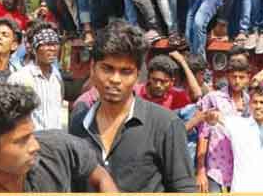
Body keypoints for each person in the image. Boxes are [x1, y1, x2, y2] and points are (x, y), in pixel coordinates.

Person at [69, 22, 196, 192]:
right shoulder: (79, 123)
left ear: (137, 75)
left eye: (125, 71)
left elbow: (184, 189)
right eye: (107, 68)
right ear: (93, 68)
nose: (115, 79)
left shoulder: (166, 125)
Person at [0, 79, 117, 192]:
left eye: (31, 133)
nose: (35, 146)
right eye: (21, 141)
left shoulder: (56, 147)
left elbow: (100, 175)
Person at [208, 83, 263, 193]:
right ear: (250, 105)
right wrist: (212, 116)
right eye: (255, 102)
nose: (258, 106)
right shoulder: (238, 125)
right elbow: (216, 117)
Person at [195, 56, 250, 193]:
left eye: (241, 77)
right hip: (215, 167)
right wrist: (201, 170)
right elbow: (204, 136)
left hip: (241, 168)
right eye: (234, 76)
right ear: (227, 76)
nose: (237, 81)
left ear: (248, 77)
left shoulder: (251, 101)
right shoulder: (213, 98)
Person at [8, 21, 63, 131]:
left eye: (55, 44)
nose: (52, 48)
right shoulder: (20, 78)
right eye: (46, 44)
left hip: (55, 143)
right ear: (34, 48)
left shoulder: (57, 79)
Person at [136, 52, 201, 110]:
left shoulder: (177, 97)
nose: (158, 85)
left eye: (163, 81)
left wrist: (182, 62)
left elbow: (197, 94)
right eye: (154, 80)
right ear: (149, 77)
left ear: (172, 82)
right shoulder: (135, 92)